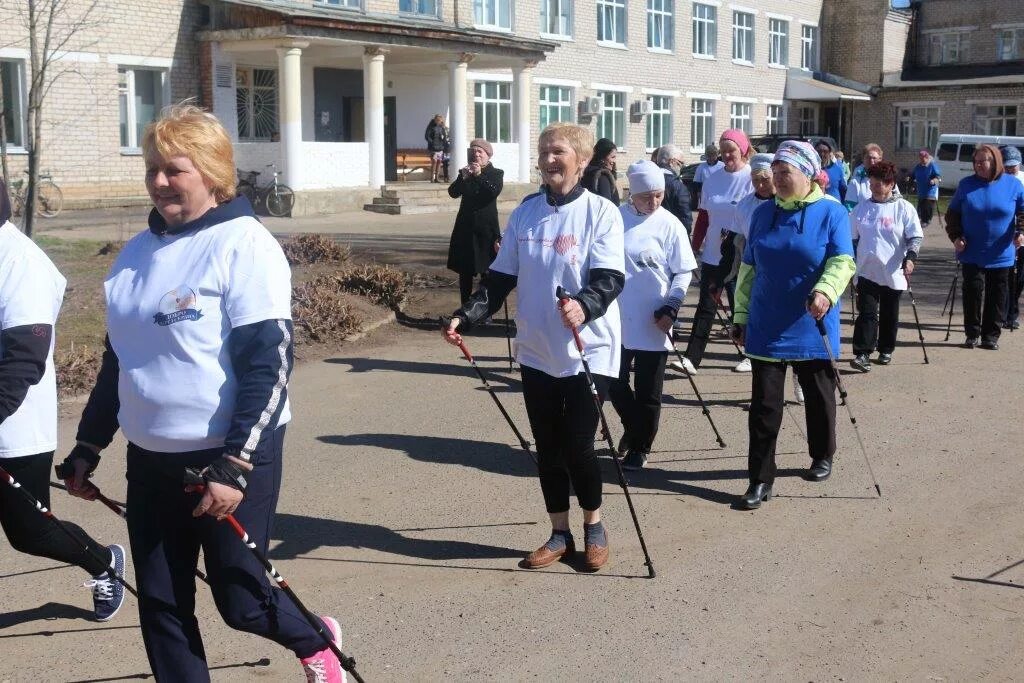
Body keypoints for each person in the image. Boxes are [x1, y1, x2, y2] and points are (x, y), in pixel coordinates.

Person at [60, 104, 348, 682]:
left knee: (241, 601)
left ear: (213, 173)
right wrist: (88, 447)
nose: (160, 182)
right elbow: (120, 362)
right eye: (152, 169)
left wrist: (236, 462)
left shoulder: (244, 244)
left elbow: (269, 364)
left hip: (229, 455)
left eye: (175, 169)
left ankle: (316, 640)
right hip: (151, 462)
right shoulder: (137, 253)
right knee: (163, 604)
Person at [443, 122, 624, 572]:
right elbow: (501, 278)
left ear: (581, 159)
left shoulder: (602, 212)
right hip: (538, 348)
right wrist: (467, 315)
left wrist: (584, 305)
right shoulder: (526, 213)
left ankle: (594, 526)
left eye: (557, 152)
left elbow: (609, 277)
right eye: (543, 152)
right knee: (547, 445)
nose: (547, 160)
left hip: (589, 348)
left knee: (579, 444)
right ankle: (559, 532)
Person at [0, 178, 126, 623]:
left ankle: (103, 562)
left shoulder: (18, 262)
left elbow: (23, 360)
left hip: (14, 430)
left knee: (30, 532)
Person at [732, 140, 855, 509]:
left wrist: (825, 292)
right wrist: (741, 316)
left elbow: (843, 261)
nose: (777, 179)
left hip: (811, 318)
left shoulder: (831, 212)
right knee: (764, 407)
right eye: (775, 173)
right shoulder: (762, 213)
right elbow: (748, 269)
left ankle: (822, 454)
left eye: (786, 172)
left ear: (807, 173)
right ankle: (759, 479)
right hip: (767, 321)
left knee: (818, 398)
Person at [609, 160, 697, 471]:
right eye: (647, 196)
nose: (654, 202)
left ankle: (640, 446)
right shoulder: (615, 219)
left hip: (655, 318)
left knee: (648, 391)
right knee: (613, 382)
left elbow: (683, 272)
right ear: (632, 192)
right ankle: (635, 429)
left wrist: (672, 305)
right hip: (616, 317)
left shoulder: (669, 223)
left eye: (659, 195)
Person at [681, 129, 754, 374]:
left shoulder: (751, 178)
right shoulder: (713, 178)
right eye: (723, 151)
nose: (726, 155)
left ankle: (749, 353)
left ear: (743, 149)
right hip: (713, 252)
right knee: (706, 305)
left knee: (739, 306)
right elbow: (703, 216)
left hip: (739, 254)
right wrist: (694, 246)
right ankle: (691, 359)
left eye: (730, 150)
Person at [944, 144, 1024, 350]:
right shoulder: (966, 185)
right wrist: (956, 236)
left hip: (1002, 252)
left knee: (997, 295)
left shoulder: (1013, 185)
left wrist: (1020, 233)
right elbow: (952, 215)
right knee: (973, 292)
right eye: (976, 162)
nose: (978, 165)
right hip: (971, 251)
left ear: (995, 161)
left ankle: (991, 336)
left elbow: (1023, 213)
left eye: (983, 161)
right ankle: (972, 333)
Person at [849, 161, 924, 371]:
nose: (873, 188)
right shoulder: (861, 209)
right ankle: (862, 353)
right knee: (867, 313)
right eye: (871, 184)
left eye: (878, 184)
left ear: (890, 184)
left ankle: (886, 349)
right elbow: (851, 239)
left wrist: (910, 258)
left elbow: (915, 236)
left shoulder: (903, 208)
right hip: (866, 270)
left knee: (890, 313)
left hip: (893, 270)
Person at [447, 138, 504, 306]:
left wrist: (479, 175)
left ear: (488, 155)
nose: (476, 154)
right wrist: (462, 178)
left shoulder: (496, 173)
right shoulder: (466, 172)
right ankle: (465, 307)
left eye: (480, 152)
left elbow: (492, 192)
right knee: (465, 271)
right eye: (473, 151)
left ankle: (484, 309)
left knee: (487, 272)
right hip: (465, 229)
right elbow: (453, 192)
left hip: (486, 230)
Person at [1000, 145, 1024, 330]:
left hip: (1022, 237)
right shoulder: (997, 181)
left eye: (1013, 166)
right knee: (1006, 279)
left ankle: (1011, 311)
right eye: (1007, 166)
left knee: (1020, 279)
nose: (1010, 170)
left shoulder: (1022, 181)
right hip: (1005, 238)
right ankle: (1006, 315)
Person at [653, 144, 694, 235]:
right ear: (672, 162)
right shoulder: (678, 186)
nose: (682, 167)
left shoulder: (647, 180)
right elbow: (685, 219)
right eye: (681, 163)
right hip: (672, 236)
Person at [846, 143, 900, 209]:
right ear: (863, 159)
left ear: (880, 159)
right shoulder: (855, 182)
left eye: (874, 158)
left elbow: (897, 200)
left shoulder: (888, 179)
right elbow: (850, 207)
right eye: (868, 158)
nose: (871, 161)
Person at [582, 137, 620, 205]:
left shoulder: (584, 171)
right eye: (612, 157)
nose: (614, 161)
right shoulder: (602, 176)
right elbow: (606, 205)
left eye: (615, 157)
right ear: (602, 158)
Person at [912, 149, 942, 228]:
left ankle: (926, 220)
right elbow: (913, 174)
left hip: (930, 190)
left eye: (923, 158)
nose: (921, 160)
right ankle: (922, 220)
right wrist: (909, 178)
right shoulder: (918, 166)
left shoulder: (932, 165)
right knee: (921, 205)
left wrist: (934, 180)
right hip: (921, 189)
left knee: (928, 205)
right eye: (920, 158)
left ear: (927, 157)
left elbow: (938, 176)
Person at [692, 143, 724, 208]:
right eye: (709, 156)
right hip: (705, 196)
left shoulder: (722, 166)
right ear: (706, 156)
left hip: (720, 194)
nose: (711, 158)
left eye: (713, 155)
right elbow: (697, 183)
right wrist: (699, 195)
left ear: (717, 155)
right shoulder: (701, 167)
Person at [425, 114, 449, 183]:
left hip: (440, 148)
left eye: (440, 120)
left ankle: (437, 178)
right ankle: (432, 178)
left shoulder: (442, 127)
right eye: (437, 120)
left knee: (439, 162)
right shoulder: (431, 127)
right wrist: (432, 142)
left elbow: (444, 137)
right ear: (435, 120)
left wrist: (444, 145)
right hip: (433, 148)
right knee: (434, 162)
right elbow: (427, 136)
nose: (439, 121)